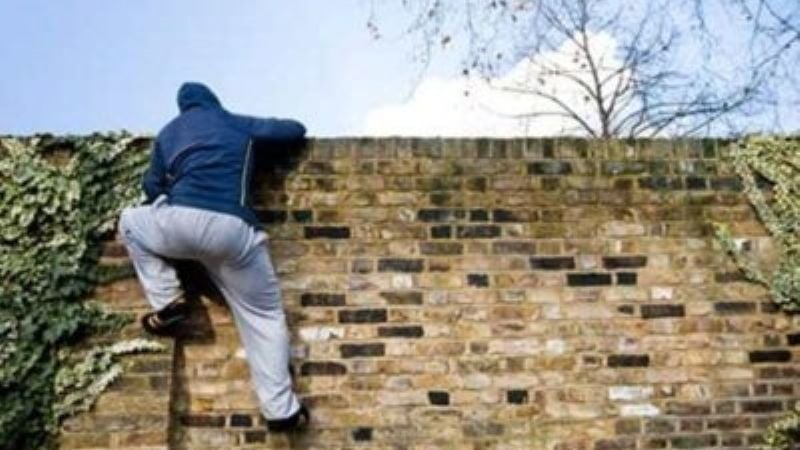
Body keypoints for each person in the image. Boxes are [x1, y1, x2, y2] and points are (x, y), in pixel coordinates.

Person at [117, 81, 309, 432]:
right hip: (232, 230)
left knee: (130, 222)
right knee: (263, 315)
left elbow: (152, 188)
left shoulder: (168, 134)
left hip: (180, 225)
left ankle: (168, 302)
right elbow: (294, 131)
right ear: (213, 101)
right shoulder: (234, 122)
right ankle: (282, 411)